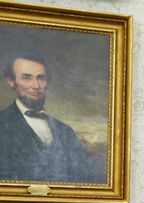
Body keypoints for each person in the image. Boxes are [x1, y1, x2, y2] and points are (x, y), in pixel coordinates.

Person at [0, 52, 104, 183]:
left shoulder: (65, 131)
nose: (36, 86)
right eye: (27, 78)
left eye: (41, 78)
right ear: (11, 81)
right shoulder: (2, 123)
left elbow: (83, 178)